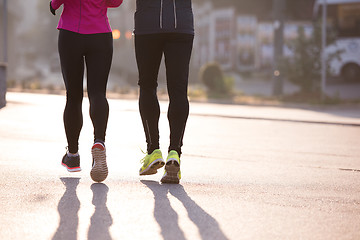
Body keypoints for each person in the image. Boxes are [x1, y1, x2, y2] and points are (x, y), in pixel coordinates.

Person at [50, 0, 123, 182]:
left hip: (71, 33)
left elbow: (57, 1)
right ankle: (99, 141)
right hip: (100, 34)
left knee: (73, 97)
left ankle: (73, 155)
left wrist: (52, 5)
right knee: (98, 93)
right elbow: (116, 2)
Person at [134, 0, 194, 184]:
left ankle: (153, 151)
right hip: (181, 23)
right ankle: (174, 153)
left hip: (148, 24)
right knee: (178, 91)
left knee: (147, 85)